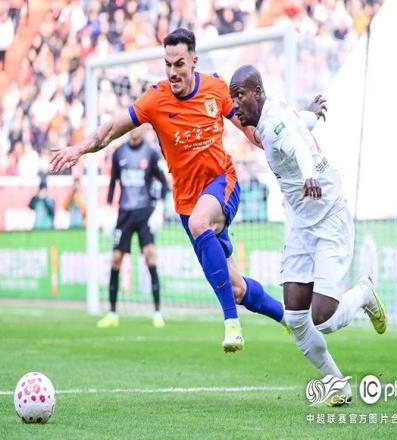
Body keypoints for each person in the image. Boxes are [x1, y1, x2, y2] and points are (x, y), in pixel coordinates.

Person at [51, 28, 287, 353]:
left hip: (222, 182)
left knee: (201, 223)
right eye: (168, 64)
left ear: (194, 61)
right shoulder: (155, 99)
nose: (173, 72)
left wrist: (282, 144)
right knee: (235, 288)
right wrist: (79, 149)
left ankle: (231, 324)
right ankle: (289, 318)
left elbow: (250, 130)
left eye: (179, 64)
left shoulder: (216, 88)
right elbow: (111, 129)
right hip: (187, 202)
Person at [229, 64, 387, 405]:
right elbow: (298, 124)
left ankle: (363, 294)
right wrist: (312, 114)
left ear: (257, 92)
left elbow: (297, 147)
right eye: (232, 98)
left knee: (323, 318)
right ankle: (337, 385)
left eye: (240, 95)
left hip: (328, 217)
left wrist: (309, 176)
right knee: (296, 318)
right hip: (301, 223)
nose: (236, 104)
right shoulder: (275, 115)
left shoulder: (274, 125)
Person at [97, 127, 168, 329]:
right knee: (116, 259)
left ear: (143, 129)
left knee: (150, 256)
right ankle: (112, 313)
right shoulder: (119, 153)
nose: (134, 131)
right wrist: (109, 210)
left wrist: (159, 207)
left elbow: (164, 183)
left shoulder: (151, 153)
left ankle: (157, 312)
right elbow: (113, 183)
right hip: (125, 214)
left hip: (144, 213)